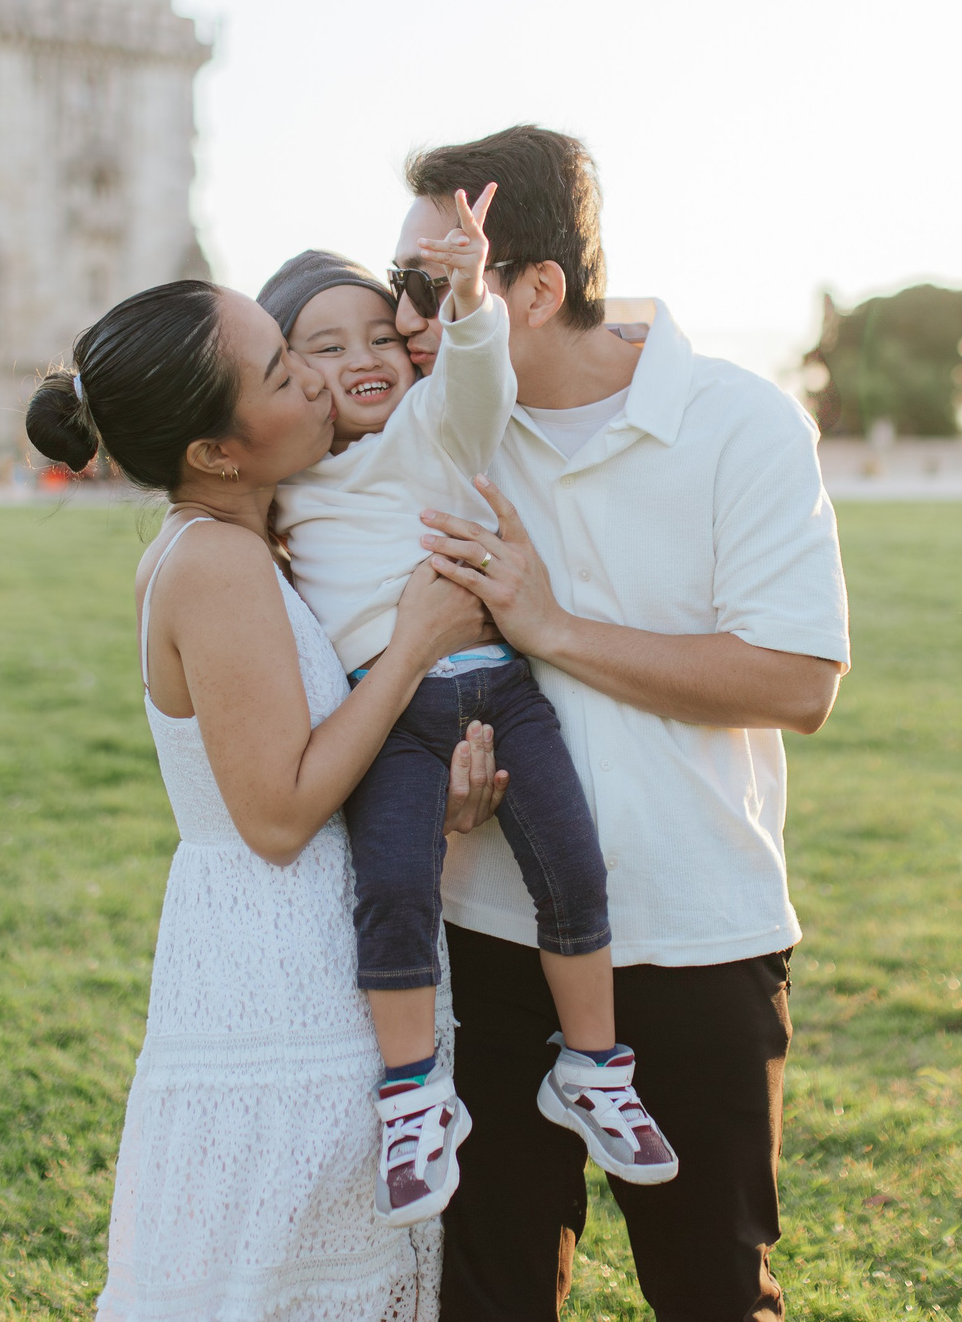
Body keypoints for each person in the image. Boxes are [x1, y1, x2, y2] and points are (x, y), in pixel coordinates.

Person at [389, 126, 852, 1319]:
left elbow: (796, 681)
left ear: (536, 290)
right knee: (487, 1300)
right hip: (489, 931)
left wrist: (550, 625)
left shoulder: (741, 421)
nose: (403, 322)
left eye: (431, 287)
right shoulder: (446, 428)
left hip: (696, 932)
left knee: (711, 1293)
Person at [24, 279, 511, 1320]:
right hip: (282, 973)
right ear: (215, 452)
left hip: (286, 949)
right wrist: (417, 642)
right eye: (284, 373)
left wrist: (427, 801)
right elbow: (280, 816)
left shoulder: (232, 544)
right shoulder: (215, 562)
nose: (319, 383)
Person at [257, 185, 675, 1231]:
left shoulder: (432, 428)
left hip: (501, 689)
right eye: (322, 347)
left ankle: (593, 1067)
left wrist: (471, 294)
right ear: (283, 373)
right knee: (394, 891)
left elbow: (479, 378)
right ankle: (412, 1095)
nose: (364, 356)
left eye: (379, 335)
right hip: (390, 715)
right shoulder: (285, 488)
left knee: (572, 868)